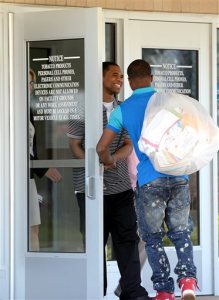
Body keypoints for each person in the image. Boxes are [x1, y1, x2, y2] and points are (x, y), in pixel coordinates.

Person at [96, 59, 198, 300]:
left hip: (149, 181)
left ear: (130, 82)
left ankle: (163, 290)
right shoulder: (169, 102)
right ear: (151, 78)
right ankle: (187, 281)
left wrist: (108, 160)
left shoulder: (123, 109)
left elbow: (102, 146)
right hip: (178, 176)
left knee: (152, 237)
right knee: (181, 231)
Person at [68, 61, 150, 300]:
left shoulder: (122, 108)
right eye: (114, 74)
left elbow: (128, 144)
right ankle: (95, 292)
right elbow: (74, 145)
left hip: (121, 188)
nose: (120, 79)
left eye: (122, 76)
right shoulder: (81, 107)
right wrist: (93, 166)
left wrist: (111, 158)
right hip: (91, 187)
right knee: (95, 243)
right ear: (100, 77)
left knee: (127, 240)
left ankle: (132, 291)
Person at [29, 69, 62, 251]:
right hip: (12, 178)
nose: (31, 87)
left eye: (33, 84)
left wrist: (41, 167)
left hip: (28, 177)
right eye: (28, 83)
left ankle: (33, 273)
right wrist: (43, 169)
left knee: (33, 228)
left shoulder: (27, 111)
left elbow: (30, 148)